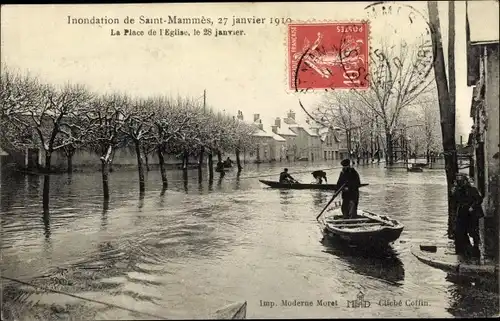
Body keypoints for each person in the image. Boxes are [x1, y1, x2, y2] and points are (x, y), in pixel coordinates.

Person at [451, 173, 484, 257]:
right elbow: (455, 202)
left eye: (461, 180)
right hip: (462, 212)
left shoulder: (472, 190)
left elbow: (479, 199)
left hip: (472, 213)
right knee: (459, 231)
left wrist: (472, 207)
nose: (460, 182)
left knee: (473, 231)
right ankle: (462, 249)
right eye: (458, 180)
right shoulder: (457, 191)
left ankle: (476, 248)